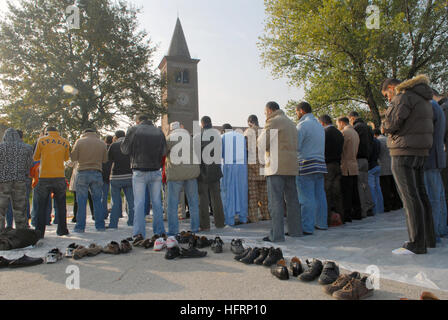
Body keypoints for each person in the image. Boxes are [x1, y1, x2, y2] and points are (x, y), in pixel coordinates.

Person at [382, 75, 436, 254]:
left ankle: (416, 243)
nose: (388, 99)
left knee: (409, 197)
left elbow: (390, 124)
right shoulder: (423, 98)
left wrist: (385, 119)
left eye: (386, 95)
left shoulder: (403, 97)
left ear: (391, 88)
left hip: (403, 151)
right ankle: (428, 238)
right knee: (420, 194)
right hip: (420, 151)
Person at [258, 102, 302, 242]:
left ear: (270, 110)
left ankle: (276, 235)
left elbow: (262, 143)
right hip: (291, 165)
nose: (265, 115)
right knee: (292, 200)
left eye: (265, 112)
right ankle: (296, 231)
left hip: (276, 167)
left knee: (275, 201)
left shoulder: (273, 121)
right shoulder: (291, 123)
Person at [121, 114, 166, 238]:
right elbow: (164, 151)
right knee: (157, 203)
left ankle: (139, 233)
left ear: (138, 121)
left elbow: (124, 150)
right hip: (156, 170)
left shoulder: (133, 130)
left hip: (139, 170)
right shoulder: (159, 131)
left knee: (139, 203)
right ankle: (159, 232)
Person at [295, 102, 328, 234]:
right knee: (320, 195)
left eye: (296, 112)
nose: (296, 114)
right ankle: (321, 223)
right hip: (320, 164)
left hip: (306, 163)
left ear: (301, 111)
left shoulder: (302, 125)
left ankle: (307, 227)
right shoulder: (319, 126)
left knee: (306, 197)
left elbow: (296, 146)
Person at [33, 126, 70, 238]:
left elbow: (35, 157)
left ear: (46, 132)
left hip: (44, 176)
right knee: (61, 205)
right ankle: (62, 230)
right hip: (59, 176)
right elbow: (66, 158)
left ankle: (40, 232)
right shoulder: (65, 141)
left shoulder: (41, 140)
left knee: (41, 206)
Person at [70, 128, 108, 233]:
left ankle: (80, 227)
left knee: (81, 201)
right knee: (97, 200)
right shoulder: (101, 143)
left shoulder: (80, 141)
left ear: (84, 133)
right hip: (97, 172)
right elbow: (105, 159)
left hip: (82, 172)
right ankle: (100, 226)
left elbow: (73, 158)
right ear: (95, 133)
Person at [165, 122, 200, 235]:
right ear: (181, 127)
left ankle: (173, 230)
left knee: (173, 203)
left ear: (171, 129)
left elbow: (163, 152)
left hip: (175, 173)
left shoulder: (170, 138)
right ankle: (195, 228)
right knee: (193, 202)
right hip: (191, 173)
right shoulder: (190, 137)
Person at [423, 94, 447, 240]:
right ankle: (440, 229)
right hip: (437, 157)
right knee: (439, 196)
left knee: (433, 197)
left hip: (430, 158)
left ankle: (435, 232)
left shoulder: (431, 106)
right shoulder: (439, 107)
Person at [0, 129, 33, 232]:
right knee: (20, 208)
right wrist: (24, 173)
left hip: (3, 180)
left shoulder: (1, 148)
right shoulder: (27, 148)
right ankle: (22, 231)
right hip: (20, 179)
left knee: (1, 208)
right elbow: (29, 164)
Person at [197, 116, 225, 231]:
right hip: (216, 171)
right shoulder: (218, 136)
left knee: (203, 199)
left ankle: (205, 225)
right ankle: (220, 223)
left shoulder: (199, 137)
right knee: (217, 198)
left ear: (202, 124)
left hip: (203, 172)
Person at [220, 124, 248, 226]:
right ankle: (243, 217)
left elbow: (220, 155)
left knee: (228, 194)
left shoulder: (222, 137)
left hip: (228, 167)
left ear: (223, 131)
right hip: (241, 168)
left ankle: (229, 220)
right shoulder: (241, 137)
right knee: (241, 192)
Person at [348, 111, 375, 218]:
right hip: (366, 159)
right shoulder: (368, 128)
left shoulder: (356, 127)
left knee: (359, 185)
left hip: (358, 158)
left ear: (352, 118)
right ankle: (370, 206)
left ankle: (363, 210)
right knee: (365, 184)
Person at [244, 115, 270, 222]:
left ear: (249, 122)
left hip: (252, 169)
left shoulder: (248, 132)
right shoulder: (264, 131)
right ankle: (266, 215)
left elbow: (245, 150)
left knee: (253, 196)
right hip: (264, 167)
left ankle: (254, 217)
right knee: (264, 196)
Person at [319, 115, 344, 225]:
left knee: (327, 193)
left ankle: (328, 219)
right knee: (337, 193)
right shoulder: (339, 133)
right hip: (337, 164)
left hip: (327, 164)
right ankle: (340, 216)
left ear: (322, 123)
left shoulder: (325, 133)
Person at [107, 130, 134, 229]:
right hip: (129, 176)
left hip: (115, 177)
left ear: (116, 137)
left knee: (115, 202)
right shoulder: (130, 145)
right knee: (131, 201)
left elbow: (108, 160)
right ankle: (131, 221)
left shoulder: (113, 146)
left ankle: (113, 224)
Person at [337, 117, 362, 222]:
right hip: (354, 165)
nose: (338, 126)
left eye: (337, 124)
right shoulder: (355, 132)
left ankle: (347, 215)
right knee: (355, 192)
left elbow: (341, 149)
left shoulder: (344, 133)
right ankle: (357, 213)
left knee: (346, 192)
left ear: (342, 123)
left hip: (346, 165)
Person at [374, 129, 402, 212]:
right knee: (393, 186)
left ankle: (388, 205)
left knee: (385, 188)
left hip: (383, 167)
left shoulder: (378, 141)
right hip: (391, 165)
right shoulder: (387, 139)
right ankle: (397, 203)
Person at [368, 135, 384, 215]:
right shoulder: (377, 141)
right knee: (378, 188)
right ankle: (381, 208)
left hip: (370, 166)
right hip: (377, 165)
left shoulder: (369, 141)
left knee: (372, 189)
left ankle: (375, 209)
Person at [101, 135, 113, 220]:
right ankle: (117, 213)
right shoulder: (115, 147)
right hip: (113, 173)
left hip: (103, 174)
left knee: (103, 196)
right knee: (115, 196)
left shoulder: (102, 149)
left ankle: (104, 214)